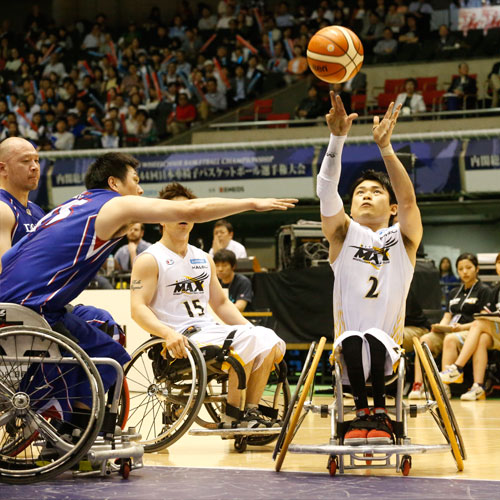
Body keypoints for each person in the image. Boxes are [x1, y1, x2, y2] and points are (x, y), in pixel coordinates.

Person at [0, 152, 296, 415]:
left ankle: (73, 419)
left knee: (105, 327)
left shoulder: (76, 205)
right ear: (114, 184)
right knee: (109, 357)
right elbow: (192, 210)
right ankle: (58, 417)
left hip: (21, 301)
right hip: (29, 307)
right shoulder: (114, 206)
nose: (140, 190)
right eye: (136, 181)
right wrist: (253, 203)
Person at [131, 182, 285, 428]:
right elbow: (137, 308)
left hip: (208, 330)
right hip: (178, 338)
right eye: (175, 210)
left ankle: (251, 411)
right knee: (248, 340)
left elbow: (221, 302)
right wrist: (166, 333)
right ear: (160, 217)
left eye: (187, 211)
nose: (183, 216)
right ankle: (233, 417)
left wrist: (251, 330)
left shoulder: (204, 258)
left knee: (267, 338)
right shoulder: (150, 259)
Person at [318, 91, 422, 445]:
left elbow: (408, 199)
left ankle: (380, 415)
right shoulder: (343, 234)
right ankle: (362, 415)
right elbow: (326, 190)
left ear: (391, 208)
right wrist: (337, 137)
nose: (365, 195)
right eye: (359, 191)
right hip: (345, 359)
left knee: (375, 338)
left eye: (375, 191)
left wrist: (386, 149)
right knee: (352, 339)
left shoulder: (403, 238)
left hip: (391, 354)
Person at [439, 250, 500, 401]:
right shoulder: (495, 290)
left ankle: (458, 368)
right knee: (481, 339)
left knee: (479, 323)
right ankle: (478, 387)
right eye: (499, 263)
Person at [435, 253, 492, 394]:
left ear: (477, 268)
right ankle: (419, 385)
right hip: (453, 329)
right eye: (460, 269)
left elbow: (483, 320)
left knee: (450, 339)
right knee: (425, 339)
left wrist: (461, 328)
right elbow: (447, 316)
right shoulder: (454, 291)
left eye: (468, 267)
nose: (464, 272)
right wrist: (440, 327)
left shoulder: (484, 290)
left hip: (469, 330)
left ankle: (446, 384)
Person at [0, 138, 45, 267]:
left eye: (36, 160)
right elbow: (4, 274)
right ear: (2, 168)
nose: (35, 167)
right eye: (25, 161)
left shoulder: (37, 211)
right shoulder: (2, 209)